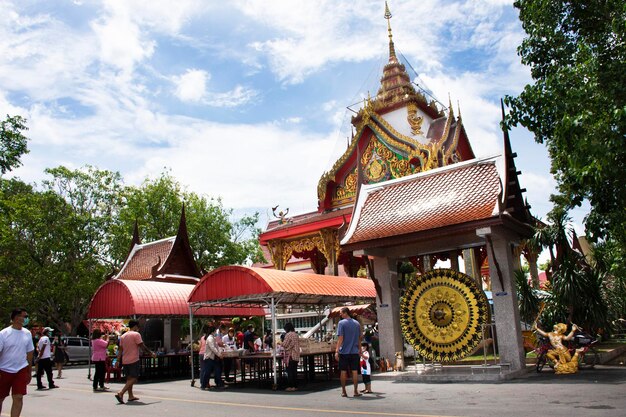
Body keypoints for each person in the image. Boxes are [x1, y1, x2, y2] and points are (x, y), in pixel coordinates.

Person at [0, 308, 34, 417]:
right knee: (1, 398)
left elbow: (29, 353)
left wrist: (29, 371)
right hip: (4, 370)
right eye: (24, 316)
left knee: (18, 397)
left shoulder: (27, 333)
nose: (26, 319)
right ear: (15, 318)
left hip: (20, 369)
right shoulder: (3, 333)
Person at [114, 320, 155, 404]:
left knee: (129, 378)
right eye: (138, 326)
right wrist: (151, 353)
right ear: (135, 326)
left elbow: (120, 349)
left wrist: (118, 360)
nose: (138, 328)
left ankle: (130, 396)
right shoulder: (136, 334)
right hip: (134, 359)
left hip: (125, 360)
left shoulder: (123, 336)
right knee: (134, 378)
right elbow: (142, 346)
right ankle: (121, 393)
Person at [335, 307, 362, 397]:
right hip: (354, 351)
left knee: (343, 371)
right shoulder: (356, 323)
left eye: (341, 313)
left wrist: (337, 350)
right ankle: (355, 391)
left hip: (344, 352)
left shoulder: (341, 323)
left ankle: (343, 391)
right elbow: (359, 338)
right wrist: (360, 349)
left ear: (345, 313)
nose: (340, 315)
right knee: (355, 372)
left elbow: (340, 338)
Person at [281, 322, 300, 392]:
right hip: (296, 355)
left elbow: (285, 344)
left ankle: (291, 386)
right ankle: (295, 386)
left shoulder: (288, 335)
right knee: (294, 371)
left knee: (290, 371)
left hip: (290, 355)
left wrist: (280, 343)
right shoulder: (296, 334)